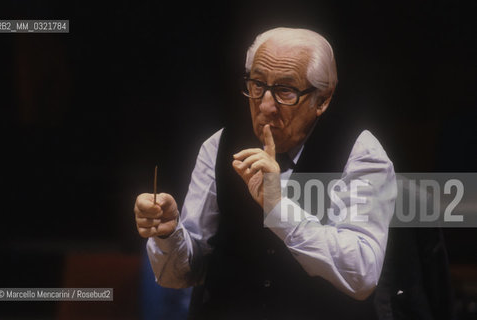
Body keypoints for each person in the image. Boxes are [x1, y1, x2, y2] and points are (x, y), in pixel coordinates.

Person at [134, 27, 397, 319]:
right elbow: (180, 276)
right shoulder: (219, 146)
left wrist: (278, 208)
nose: (266, 106)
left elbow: (362, 275)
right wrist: (170, 233)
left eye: (286, 90)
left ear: (322, 100)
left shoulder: (360, 154)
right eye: (257, 84)